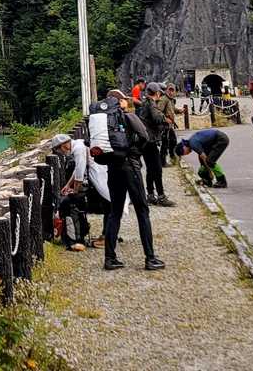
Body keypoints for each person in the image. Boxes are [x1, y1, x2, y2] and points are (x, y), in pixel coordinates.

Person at [87, 88, 164, 271]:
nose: (126, 102)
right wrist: (135, 151)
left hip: (113, 168)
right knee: (142, 211)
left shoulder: (102, 122)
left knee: (115, 212)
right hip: (130, 167)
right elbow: (145, 136)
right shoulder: (128, 116)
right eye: (124, 99)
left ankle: (110, 258)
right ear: (119, 101)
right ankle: (150, 258)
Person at [52, 133, 105, 251]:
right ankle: (81, 234)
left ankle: (74, 239)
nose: (61, 152)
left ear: (64, 145)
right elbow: (77, 170)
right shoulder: (79, 144)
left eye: (59, 149)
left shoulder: (78, 149)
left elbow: (80, 172)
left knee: (69, 203)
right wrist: (68, 185)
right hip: (99, 179)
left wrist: (75, 191)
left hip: (98, 181)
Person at [137, 82, 176, 206]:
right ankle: (161, 196)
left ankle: (150, 195)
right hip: (150, 141)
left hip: (145, 140)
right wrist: (166, 119)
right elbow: (157, 118)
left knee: (150, 169)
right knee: (157, 169)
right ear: (157, 93)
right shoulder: (151, 103)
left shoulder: (145, 102)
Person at [162, 83, 183, 162]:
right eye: (169, 90)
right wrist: (165, 119)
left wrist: (179, 111)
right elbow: (158, 112)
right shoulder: (164, 99)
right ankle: (163, 161)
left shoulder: (170, 100)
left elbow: (173, 109)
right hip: (164, 125)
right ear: (166, 90)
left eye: (172, 90)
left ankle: (172, 157)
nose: (171, 92)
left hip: (169, 125)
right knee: (165, 143)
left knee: (173, 141)